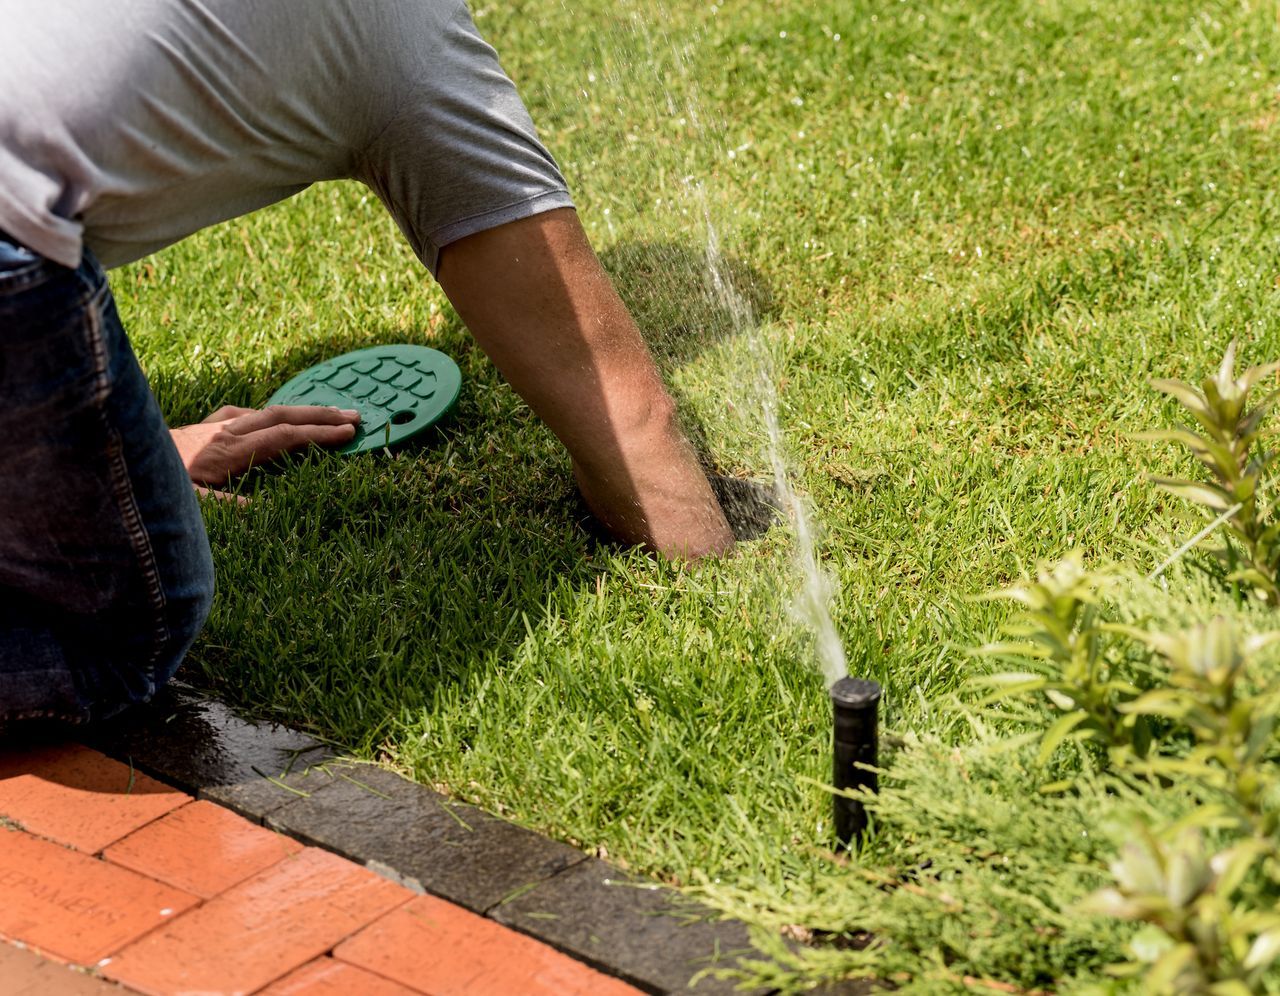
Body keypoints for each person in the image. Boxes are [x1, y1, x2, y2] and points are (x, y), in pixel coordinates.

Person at [0, 0, 734, 727]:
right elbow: (631, 424)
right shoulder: (406, 36)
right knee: (132, 624)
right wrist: (737, 583)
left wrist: (131, 454)